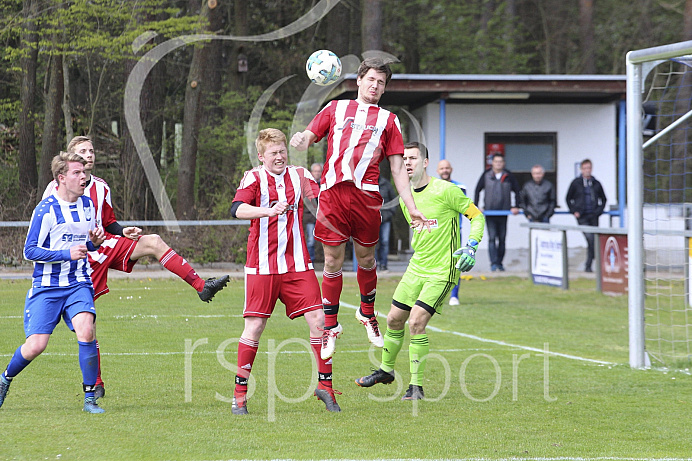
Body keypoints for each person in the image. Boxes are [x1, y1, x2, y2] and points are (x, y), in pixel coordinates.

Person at [43, 136, 230, 399]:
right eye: (83, 151)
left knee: (153, 241)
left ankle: (202, 286)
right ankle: (95, 384)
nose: (89, 155)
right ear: (70, 159)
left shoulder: (101, 187)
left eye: (92, 150)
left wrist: (124, 230)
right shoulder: (54, 189)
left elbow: (108, 223)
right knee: (88, 324)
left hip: (106, 245)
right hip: (83, 259)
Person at [290, 58, 427, 360]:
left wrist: (412, 206)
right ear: (359, 81)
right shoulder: (335, 109)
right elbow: (308, 137)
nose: (376, 86)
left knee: (366, 257)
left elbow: (397, 166)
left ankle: (367, 314)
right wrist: (300, 139)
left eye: (381, 82)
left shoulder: (389, 121)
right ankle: (330, 325)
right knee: (331, 260)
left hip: (366, 197)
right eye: (371, 80)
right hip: (333, 194)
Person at [355, 142, 484, 400]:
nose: (408, 163)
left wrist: (471, 246)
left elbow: (476, 216)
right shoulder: (406, 198)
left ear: (425, 162)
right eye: (403, 159)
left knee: (415, 322)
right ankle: (386, 371)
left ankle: (416, 387)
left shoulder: (447, 190)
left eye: (413, 158)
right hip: (416, 267)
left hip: (442, 269)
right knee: (392, 320)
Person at [229, 128, 339, 414]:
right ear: (261, 156)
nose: (279, 156)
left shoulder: (299, 174)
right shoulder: (253, 177)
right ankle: (239, 396)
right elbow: (237, 209)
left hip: (297, 264)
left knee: (319, 321)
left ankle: (325, 387)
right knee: (255, 327)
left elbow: (318, 199)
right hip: (262, 266)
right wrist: (267, 210)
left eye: (282, 151)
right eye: (273, 153)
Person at [0, 152, 106, 413]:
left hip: (78, 282)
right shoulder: (46, 209)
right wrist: (64, 254)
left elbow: (85, 244)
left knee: (86, 331)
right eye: (77, 173)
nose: (83, 177)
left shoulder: (88, 205)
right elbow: (29, 251)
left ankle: (90, 398)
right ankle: (4, 379)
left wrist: (94, 242)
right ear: (61, 178)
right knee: (36, 345)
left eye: (84, 172)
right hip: (47, 287)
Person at [474, 153, 520, 272]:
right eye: (496, 161)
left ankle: (500, 263)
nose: (498, 163)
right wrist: (476, 206)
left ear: (503, 163)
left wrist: (516, 206)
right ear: (492, 163)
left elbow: (517, 191)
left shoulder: (508, 175)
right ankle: (493, 263)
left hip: (504, 212)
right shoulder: (486, 175)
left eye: (500, 161)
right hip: (490, 213)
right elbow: (477, 190)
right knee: (492, 238)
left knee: (502, 239)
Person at [565, 159, 607, 272]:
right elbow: (568, 198)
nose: (587, 170)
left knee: (593, 240)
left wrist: (598, 211)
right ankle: (592, 262)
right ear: (581, 169)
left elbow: (603, 199)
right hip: (582, 216)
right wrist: (574, 210)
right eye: (585, 168)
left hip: (593, 216)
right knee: (590, 238)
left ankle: (588, 266)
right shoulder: (576, 183)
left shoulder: (596, 183)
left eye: (589, 168)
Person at [437, 159, 467, 305]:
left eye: (447, 168)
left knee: (455, 263)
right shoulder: (432, 187)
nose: (445, 170)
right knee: (436, 264)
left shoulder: (460, 187)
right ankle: (437, 294)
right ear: (437, 171)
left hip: (454, 231)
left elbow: (459, 206)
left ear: (451, 169)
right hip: (437, 232)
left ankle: (454, 295)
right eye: (442, 168)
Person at [302, 162, 323, 262]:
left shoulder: (324, 185)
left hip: (322, 218)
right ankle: (310, 261)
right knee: (310, 240)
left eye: (319, 171)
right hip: (310, 217)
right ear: (311, 172)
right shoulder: (306, 185)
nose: (317, 173)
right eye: (315, 171)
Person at [377, 173, 397, 273]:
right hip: (373, 220)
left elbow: (393, 200)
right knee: (374, 242)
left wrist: (389, 213)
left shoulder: (386, 184)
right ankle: (374, 264)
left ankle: (383, 265)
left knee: (384, 242)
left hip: (385, 219)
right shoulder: (367, 185)